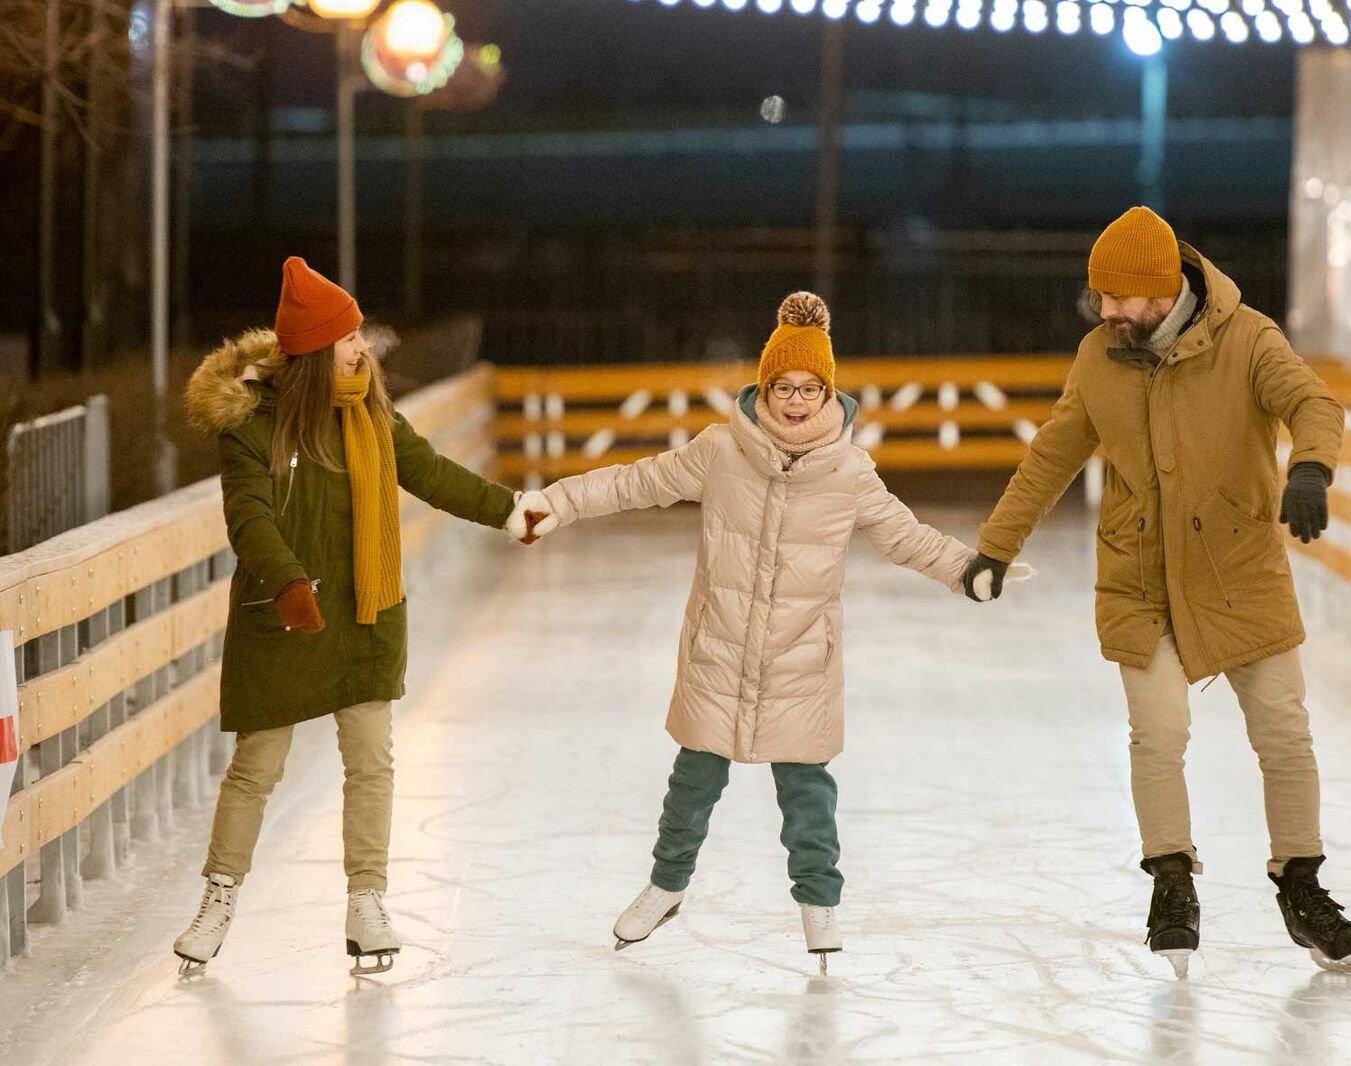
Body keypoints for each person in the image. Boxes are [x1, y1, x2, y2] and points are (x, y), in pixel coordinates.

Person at [963, 207, 1351, 977]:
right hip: (1139, 576)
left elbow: (1313, 404)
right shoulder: (1098, 358)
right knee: (1158, 735)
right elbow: (1051, 456)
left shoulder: (1247, 338)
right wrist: (995, 546)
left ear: (1161, 290)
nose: (1106, 312)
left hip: (1239, 567)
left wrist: (1311, 467)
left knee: (1284, 734)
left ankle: (1302, 885)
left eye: (1120, 299)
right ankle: (1172, 882)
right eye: (1101, 299)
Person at [523, 292, 978, 973]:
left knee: (807, 793)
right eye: (784, 387)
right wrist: (556, 502)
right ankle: (666, 886)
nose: (796, 400)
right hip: (721, 648)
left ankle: (819, 905)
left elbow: (904, 536)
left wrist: (968, 570)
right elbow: (635, 482)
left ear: (829, 392)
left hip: (800, 657)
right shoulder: (720, 451)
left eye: (809, 388)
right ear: (765, 387)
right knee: (694, 780)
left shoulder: (850, 473)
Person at [174, 257, 545, 976]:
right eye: (348, 339)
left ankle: (366, 901)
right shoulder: (254, 425)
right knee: (256, 767)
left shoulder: (372, 414)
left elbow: (432, 473)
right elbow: (247, 516)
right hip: (283, 616)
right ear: (313, 353)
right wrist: (286, 583)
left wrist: (507, 510)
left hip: (366, 612)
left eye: (359, 335)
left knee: (370, 762)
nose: (362, 349)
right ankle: (219, 898)